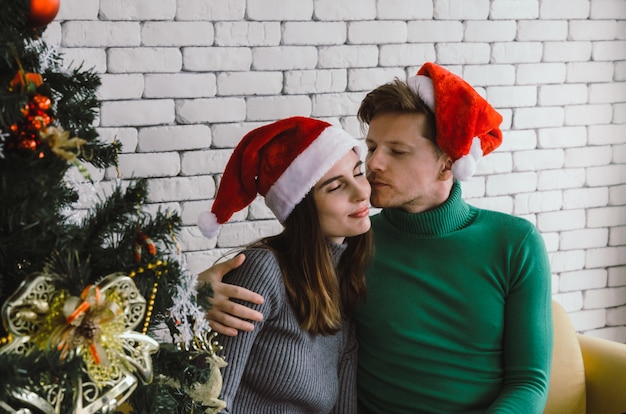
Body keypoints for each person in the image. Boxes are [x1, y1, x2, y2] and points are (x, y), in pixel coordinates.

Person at [201, 63, 554, 413]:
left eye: (397, 151)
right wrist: (196, 298)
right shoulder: (352, 245)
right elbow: (283, 273)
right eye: (371, 148)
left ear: (448, 162)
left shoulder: (515, 244)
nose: (374, 165)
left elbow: (529, 382)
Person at [197, 116, 374, 414]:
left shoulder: (346, 281)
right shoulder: (262, 271)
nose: (361, 192)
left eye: (358, 174)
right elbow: (211, 402)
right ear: (301, 207)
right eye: (335, 187)